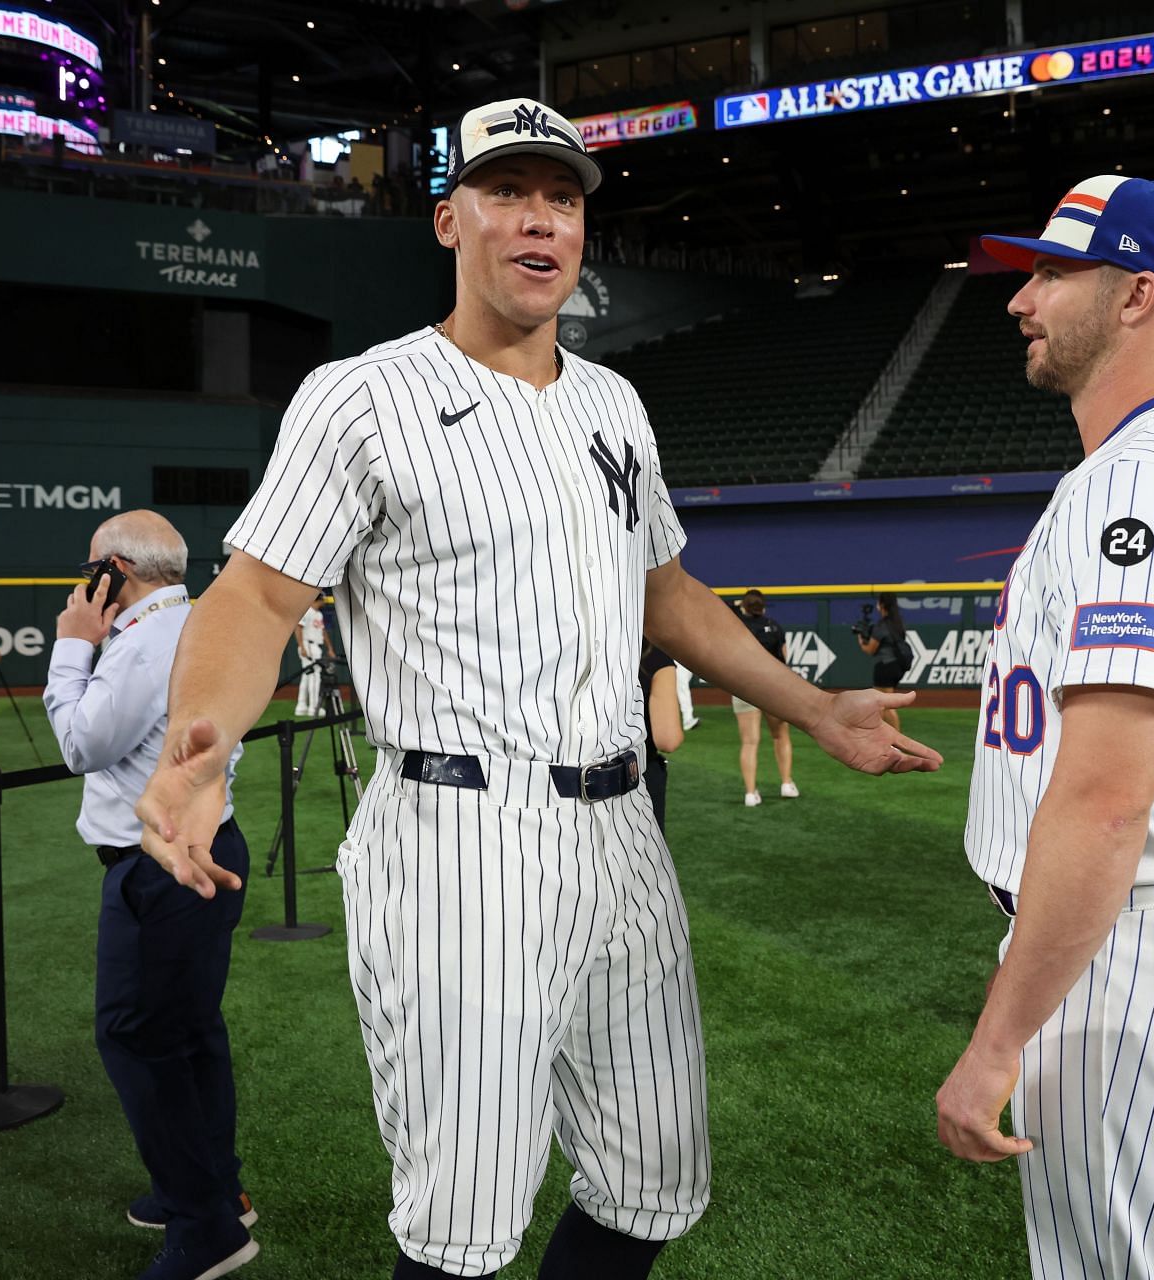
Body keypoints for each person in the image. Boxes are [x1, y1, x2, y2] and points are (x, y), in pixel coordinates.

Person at [133, 96, 941, 1280]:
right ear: (450, 217)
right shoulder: (364, 396)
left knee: (655, 1178)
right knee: (464, 1222)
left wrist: (813, 705)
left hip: (624, 821)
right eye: (509, 191)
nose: (539, 219)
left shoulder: (614, 403)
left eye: (561, 197)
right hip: (464, 835)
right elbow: (255, 599)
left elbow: (664, 592)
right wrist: (194, 756)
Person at [936, 175, 1154, 1280]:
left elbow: (1106, 800)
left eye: (1050, 271)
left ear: (1137, 294)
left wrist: (996, 1043)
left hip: (1131, 947)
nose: (1018, 298)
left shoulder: (1145, 486)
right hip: (1149, 931)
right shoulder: (1147, 470)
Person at [42, 512, 256, 1280]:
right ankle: (210, 1189)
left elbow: (81, 744)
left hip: (158, 862)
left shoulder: (142, 641)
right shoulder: (194, 623)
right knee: (191, 1030)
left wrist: (72, 643)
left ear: (113, 572)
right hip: (200, 848)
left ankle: (207, 1227)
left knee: (136, 1035)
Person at [735, 588, 798, 806]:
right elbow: (784, 660)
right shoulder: (774, 626)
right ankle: (786, 783)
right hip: (773, 687)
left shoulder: (737, 627)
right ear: (763, 606)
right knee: (780, 735)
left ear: (744, 606)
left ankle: (751, 793)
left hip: (744, 686)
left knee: (749, 743)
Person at [640, 641, 683, 832]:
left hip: (558, 781)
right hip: (637, 775)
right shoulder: (654, 655)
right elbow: (668, 740)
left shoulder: (569, 646)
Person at [855, 592, 914, 731]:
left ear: (882, 605)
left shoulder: (882, 626)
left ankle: (896, 740)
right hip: (897, 668)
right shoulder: (898, 623)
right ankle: (883, 736)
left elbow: (870, 649)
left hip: (885, 667)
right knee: (881, 704)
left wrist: (861, 641)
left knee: (885, 705)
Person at [293, 593, 337, 718]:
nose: (324, 601)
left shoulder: (318, 614)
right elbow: (298, 628)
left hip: (315, 646)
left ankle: (301, 706)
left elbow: (323, 632)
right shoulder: (307, 611)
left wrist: (330, 648)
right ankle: (313, 707)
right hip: (308, 645)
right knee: (314, 676)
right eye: (323, 599)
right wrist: (302, 646)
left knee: (307, 676)